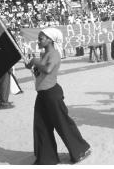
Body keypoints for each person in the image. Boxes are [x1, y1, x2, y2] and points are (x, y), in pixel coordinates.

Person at [24, 28, 91, 165]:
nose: (39, 40)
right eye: (39, 38)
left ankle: (81, 150)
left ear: (50, 39)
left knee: (62, 123)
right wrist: (31, 65)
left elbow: (48, 70)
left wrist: (35, 61)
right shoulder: (44, 55)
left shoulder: (54, 54)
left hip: (51, 94)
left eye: (41, 38)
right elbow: (40, 73)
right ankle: (47, 158)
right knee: (41, 126)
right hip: (42, 94)